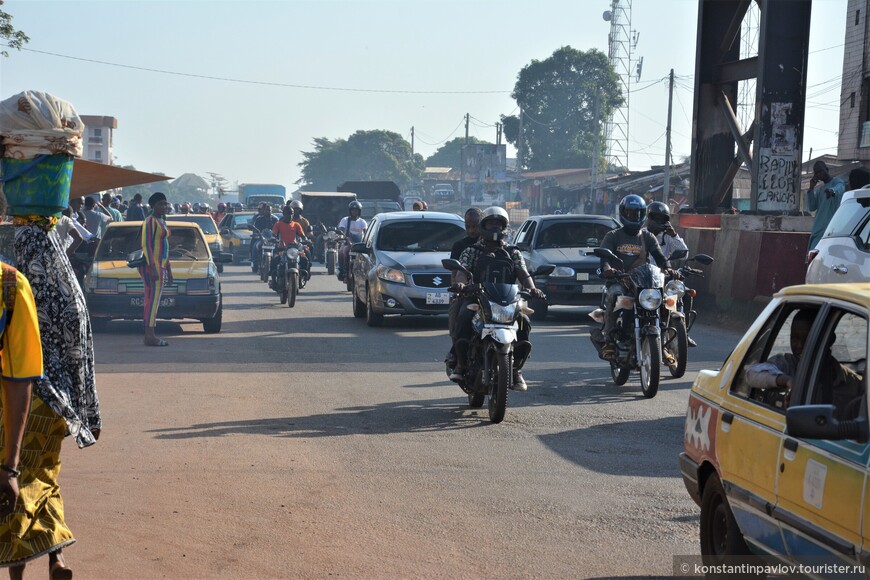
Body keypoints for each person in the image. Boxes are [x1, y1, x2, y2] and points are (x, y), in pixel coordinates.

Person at [0, 255, 77, 579]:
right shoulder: (11, 283)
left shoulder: (11, 284)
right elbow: (78, 342)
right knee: (37, 483)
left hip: (25, 401)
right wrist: (9, 466)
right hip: (40, 402)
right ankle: (49, 559)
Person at [450, 206, 546, 391]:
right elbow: (462, 272)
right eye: (490, 224)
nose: (494, 228)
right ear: (483, 226)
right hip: (477, 298)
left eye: (498, 224)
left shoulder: (513, 252)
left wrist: (533, 290)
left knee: (524, 322)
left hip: (507, 301)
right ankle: (461, 365)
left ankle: (516, 369)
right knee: (462, 317)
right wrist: (461, 284)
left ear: (505, 227)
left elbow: (524, 274)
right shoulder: (471, 251)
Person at [745, 309, 862, 417]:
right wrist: (787, 380)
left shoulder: (852, 382)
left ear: (830, 340)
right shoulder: (787, 364)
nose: (800, 346)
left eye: (808, 339)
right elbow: (751, 374)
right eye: (795, 338)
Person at [599, 194, 671, 359]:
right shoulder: (613, 236)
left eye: (638, 213)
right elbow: (605, 259)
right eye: (631, 213)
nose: (635, 217)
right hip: (620, 280)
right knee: (614, 295)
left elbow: (660, 257)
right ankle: (609, 340)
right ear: (623, 213)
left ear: (643, 214)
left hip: (642, 283)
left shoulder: (647, 237)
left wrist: (668, 268)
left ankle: (664, 343)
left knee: (665, 302)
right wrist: (608, 269)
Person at [644, 201, 696, 347]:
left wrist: (674, 235)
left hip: (665, 277)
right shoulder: (642, 235)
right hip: (645, 279)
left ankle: (684, 332)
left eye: (662, 219)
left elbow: (684, 253)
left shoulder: (667, 237)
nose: (658, 222)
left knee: (685, 293)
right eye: (655, 218)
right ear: (648, 218)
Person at [445, 208, 482, 370]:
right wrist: (459, 289)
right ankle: (459, 358)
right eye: (468, 226)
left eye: (476, 226)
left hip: (492, 294)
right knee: (457, 317)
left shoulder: (499, 246)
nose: (472, 230)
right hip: (468, 293)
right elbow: (456, 272)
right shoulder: (462, 247)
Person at [139, 192, 174, 347]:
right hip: (152, 267)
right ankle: (149, 336)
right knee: (151, 302)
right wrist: (153, 267)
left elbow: (165, 248)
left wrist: (169, 269)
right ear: (153, 206)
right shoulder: (150, 221)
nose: (163, 207)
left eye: (165, 203)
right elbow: (146, 245)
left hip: (161, 266)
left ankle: (150, 335)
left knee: (153, 301)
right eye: (160, 203)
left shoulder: (161, 221)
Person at [806, 161, 846, 253]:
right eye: (816, 173)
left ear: (827, 170)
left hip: (831, 229)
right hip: (818, 228)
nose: (819, 174)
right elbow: (812, 207)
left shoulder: (836, 182)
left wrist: (832, 191)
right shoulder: (820, 189)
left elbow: (840, 188)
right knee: (813, 256)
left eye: (820, 171)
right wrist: (811, 188)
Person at [270, 206, 307, 286]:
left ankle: (302, 278)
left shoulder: (296, 225)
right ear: (283, 214)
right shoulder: (278, 224)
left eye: (291, 214)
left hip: (294, 249)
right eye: (288, 214)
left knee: (304, 259)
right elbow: (274, 234)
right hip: (282, 249)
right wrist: (273, 239)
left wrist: (306, 240)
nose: (290, 215)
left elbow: (302, 235)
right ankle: (273, 281)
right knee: (274, 260)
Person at [338, 201, 367, 282]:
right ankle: (343, 272)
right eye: (353, 210)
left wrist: (367, 239)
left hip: (358, 245)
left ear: (359, 211)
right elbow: (341, 230)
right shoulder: (345, 220)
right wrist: (343, 236)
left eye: (356, 210)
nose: (354, 212)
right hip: (347, 243)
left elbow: (366, 232)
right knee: (342, 251)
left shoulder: (362, 222)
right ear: (350, 211)